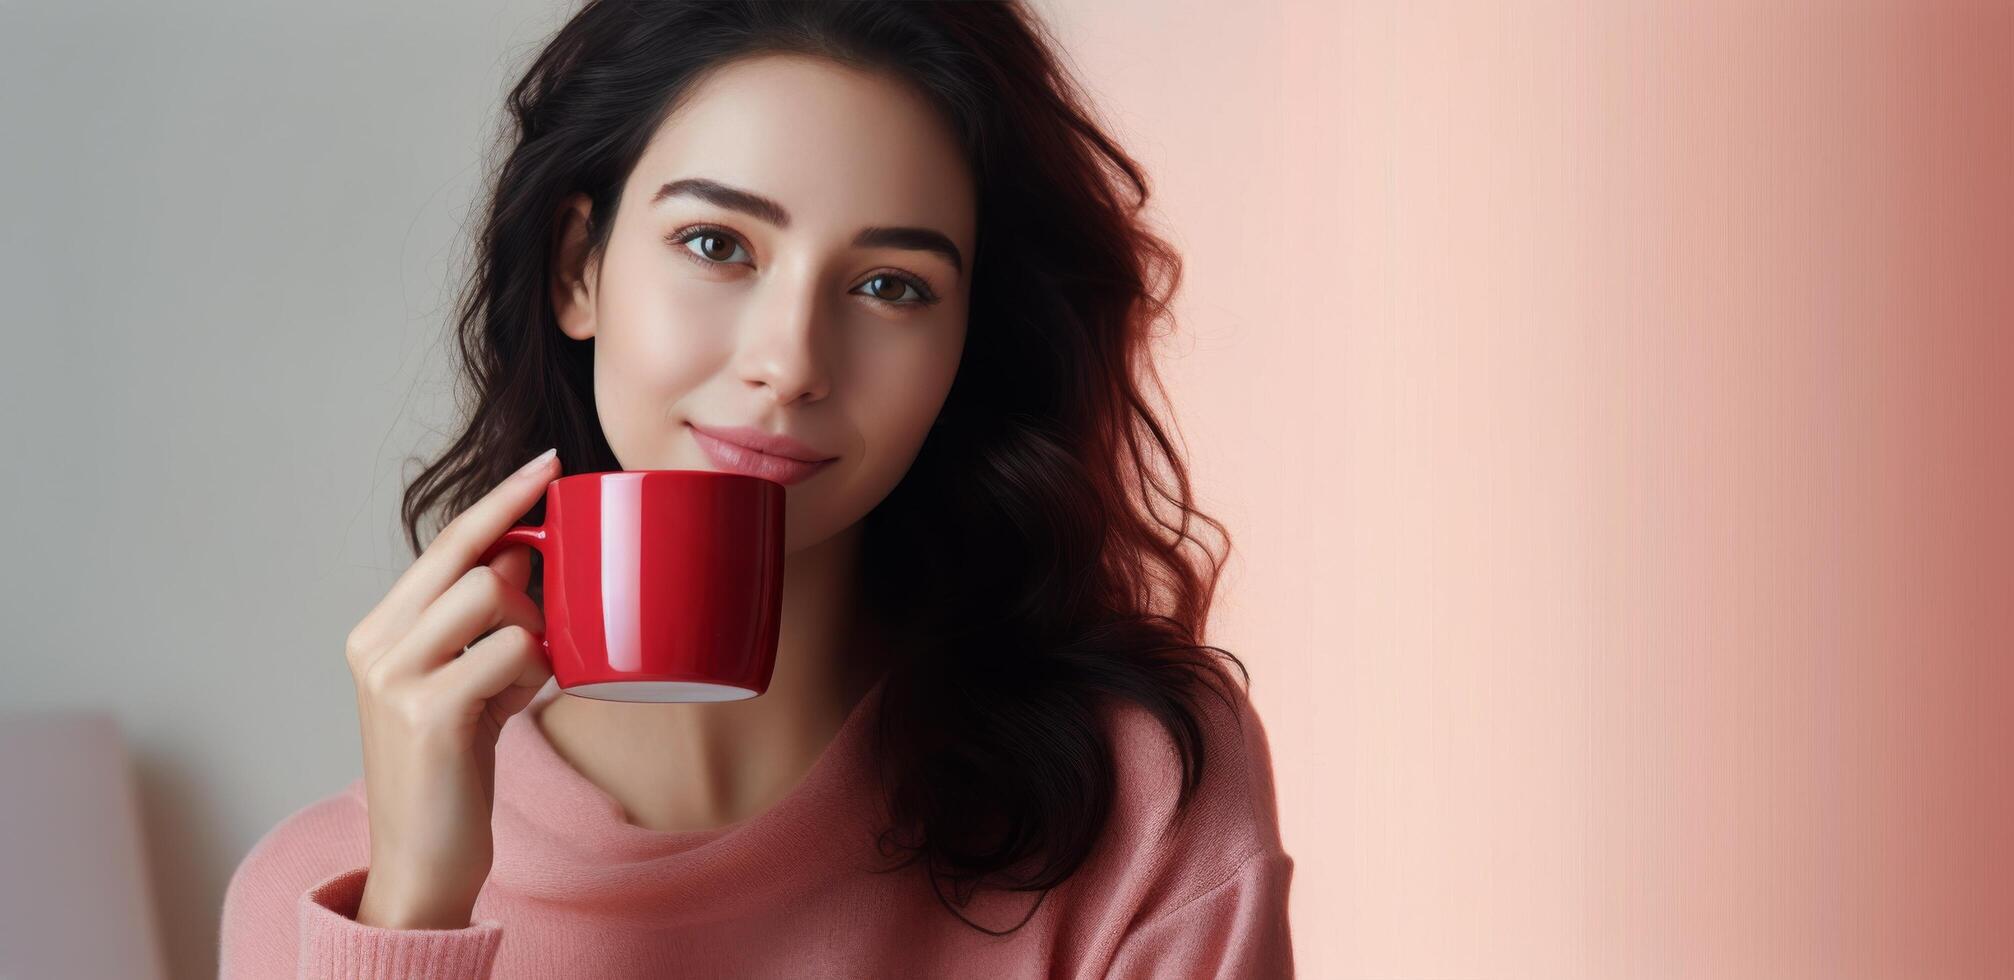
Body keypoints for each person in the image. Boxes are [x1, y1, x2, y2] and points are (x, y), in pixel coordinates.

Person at [219, 1, 1295, 976]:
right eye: (716, 243)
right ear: (577, 270)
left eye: (890, 285)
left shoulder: (1138, 787)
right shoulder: (319, 896)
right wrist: (413, 912)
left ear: (970, 338)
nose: (789, 361)